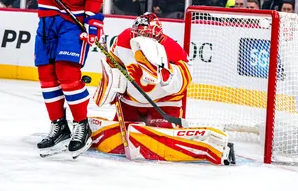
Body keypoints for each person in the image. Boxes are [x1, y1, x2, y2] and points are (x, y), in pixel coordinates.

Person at [90, 12, 235, 164]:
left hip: (163, 104)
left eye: (146, 35)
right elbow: (113, 64)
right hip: (130, 103)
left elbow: (184, 80)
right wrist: (113, 84)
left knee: (160, 134)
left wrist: (167, 76)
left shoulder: (172, 49)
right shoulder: (123, 39)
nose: (140, 37)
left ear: (158, 35)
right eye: (138, 33)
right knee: (122, 132)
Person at [23, 0, 105, 158]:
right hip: (47, 18)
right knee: (46, 73)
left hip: (73, 20)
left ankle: (82, 126)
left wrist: (93, 23)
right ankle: (59, 126)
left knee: (67, 73)